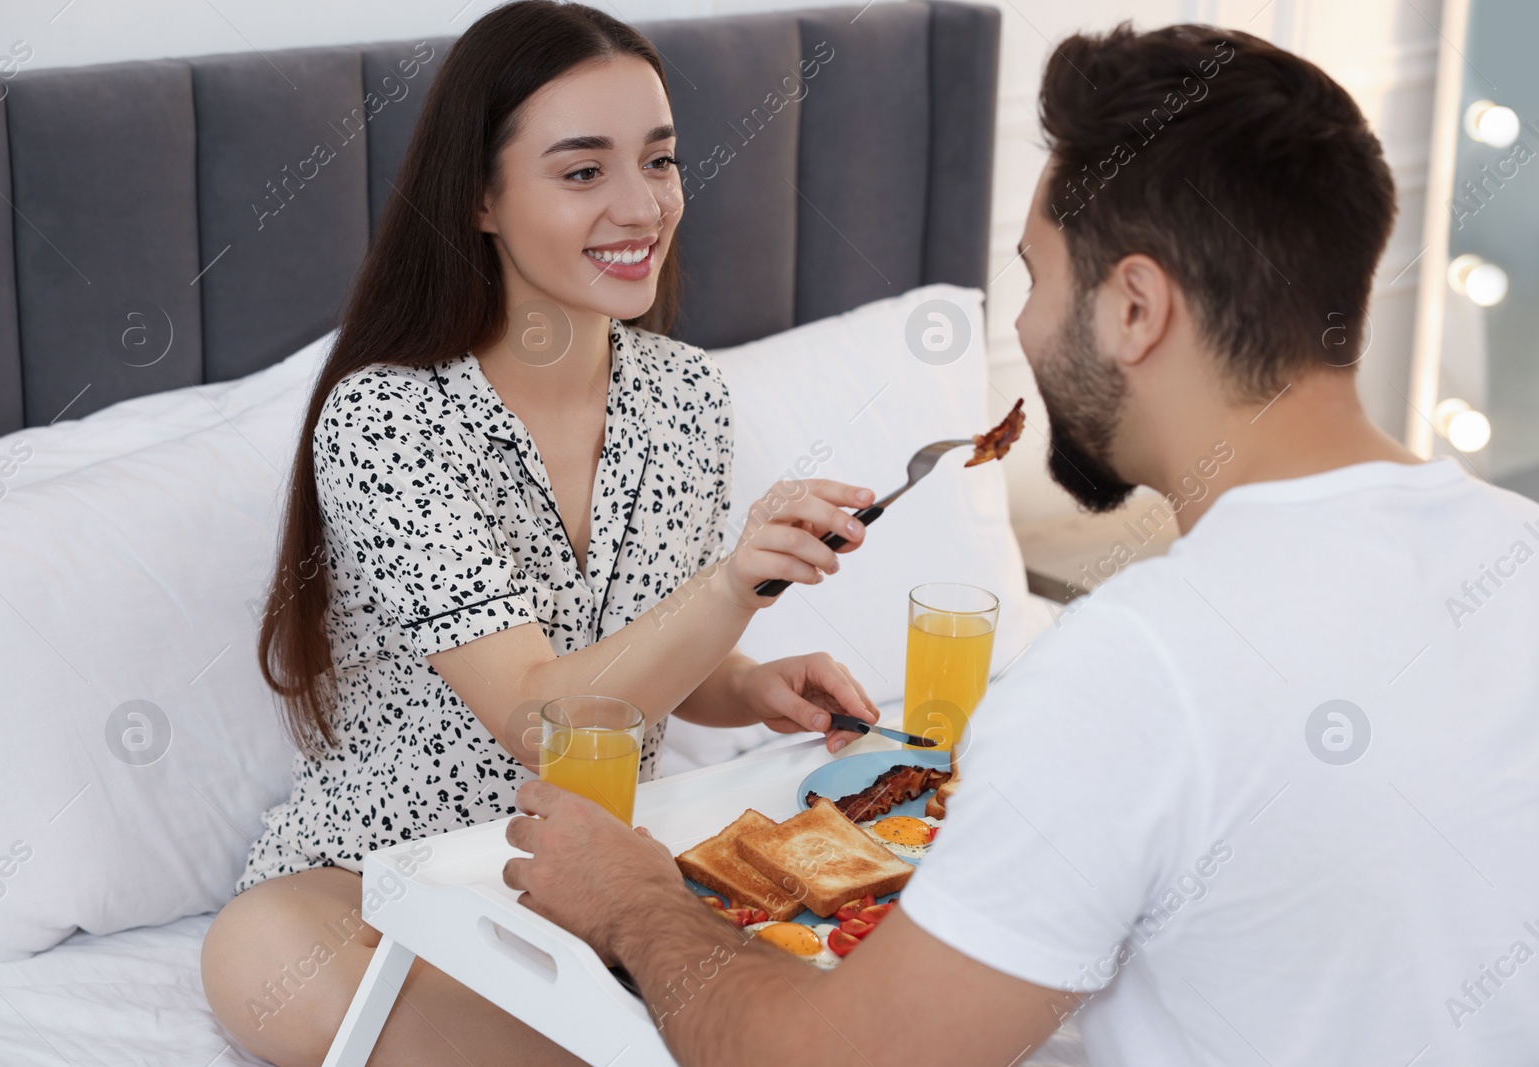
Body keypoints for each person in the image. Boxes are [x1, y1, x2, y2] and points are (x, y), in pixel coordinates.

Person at [505, 21, 1539, 1066]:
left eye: (1036, 277)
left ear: (1134, 307)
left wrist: (633, 898)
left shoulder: (1133, 668)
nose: (1030, 328)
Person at [199, 2, 882, 1063]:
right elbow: (537, 712)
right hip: (383, 881)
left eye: (659, 161)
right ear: (479, 195)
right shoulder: (390, 417)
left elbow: (633, 657)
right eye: (581, 172)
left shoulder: (686, 395)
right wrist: (733, 582)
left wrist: (745, 685)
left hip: (606, 871)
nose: (640, 205)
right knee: (261, 947)